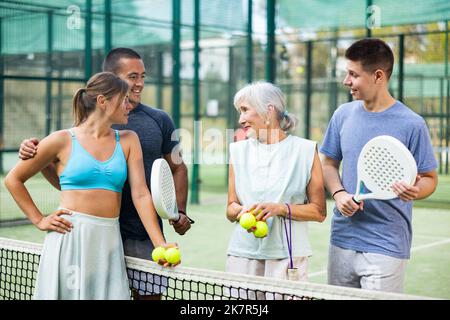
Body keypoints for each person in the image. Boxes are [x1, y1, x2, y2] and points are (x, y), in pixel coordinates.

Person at [18, 48, 192, 300]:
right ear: (111, 81)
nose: (140, 83)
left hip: (136, 234)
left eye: (143, 76)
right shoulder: (75, 131)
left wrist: (174, 218)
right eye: (133, 77)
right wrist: (39, 159)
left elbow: (173, 171)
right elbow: (70, 182)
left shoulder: (159, 121)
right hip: (80, 234)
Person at [320, 38, 438, 293]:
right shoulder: (342, 115)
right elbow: (328, 164)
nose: (346, 81)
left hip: (387, 245)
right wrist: (339, 194)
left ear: (378, 76)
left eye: (353, 74)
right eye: (346, 73)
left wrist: (416, 191)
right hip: (341, 240)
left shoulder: (412, 124)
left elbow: (429, 177)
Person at [225, 82, 326, 294]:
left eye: (245, 110)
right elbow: (230, 207)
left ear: (269, 110)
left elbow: (319, 211)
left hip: (288, 258)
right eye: (239, 111)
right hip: (242, 255)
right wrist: (240, 210)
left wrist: (281, 208)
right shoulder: (237, 151)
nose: (240, 119)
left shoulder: (306, 150)